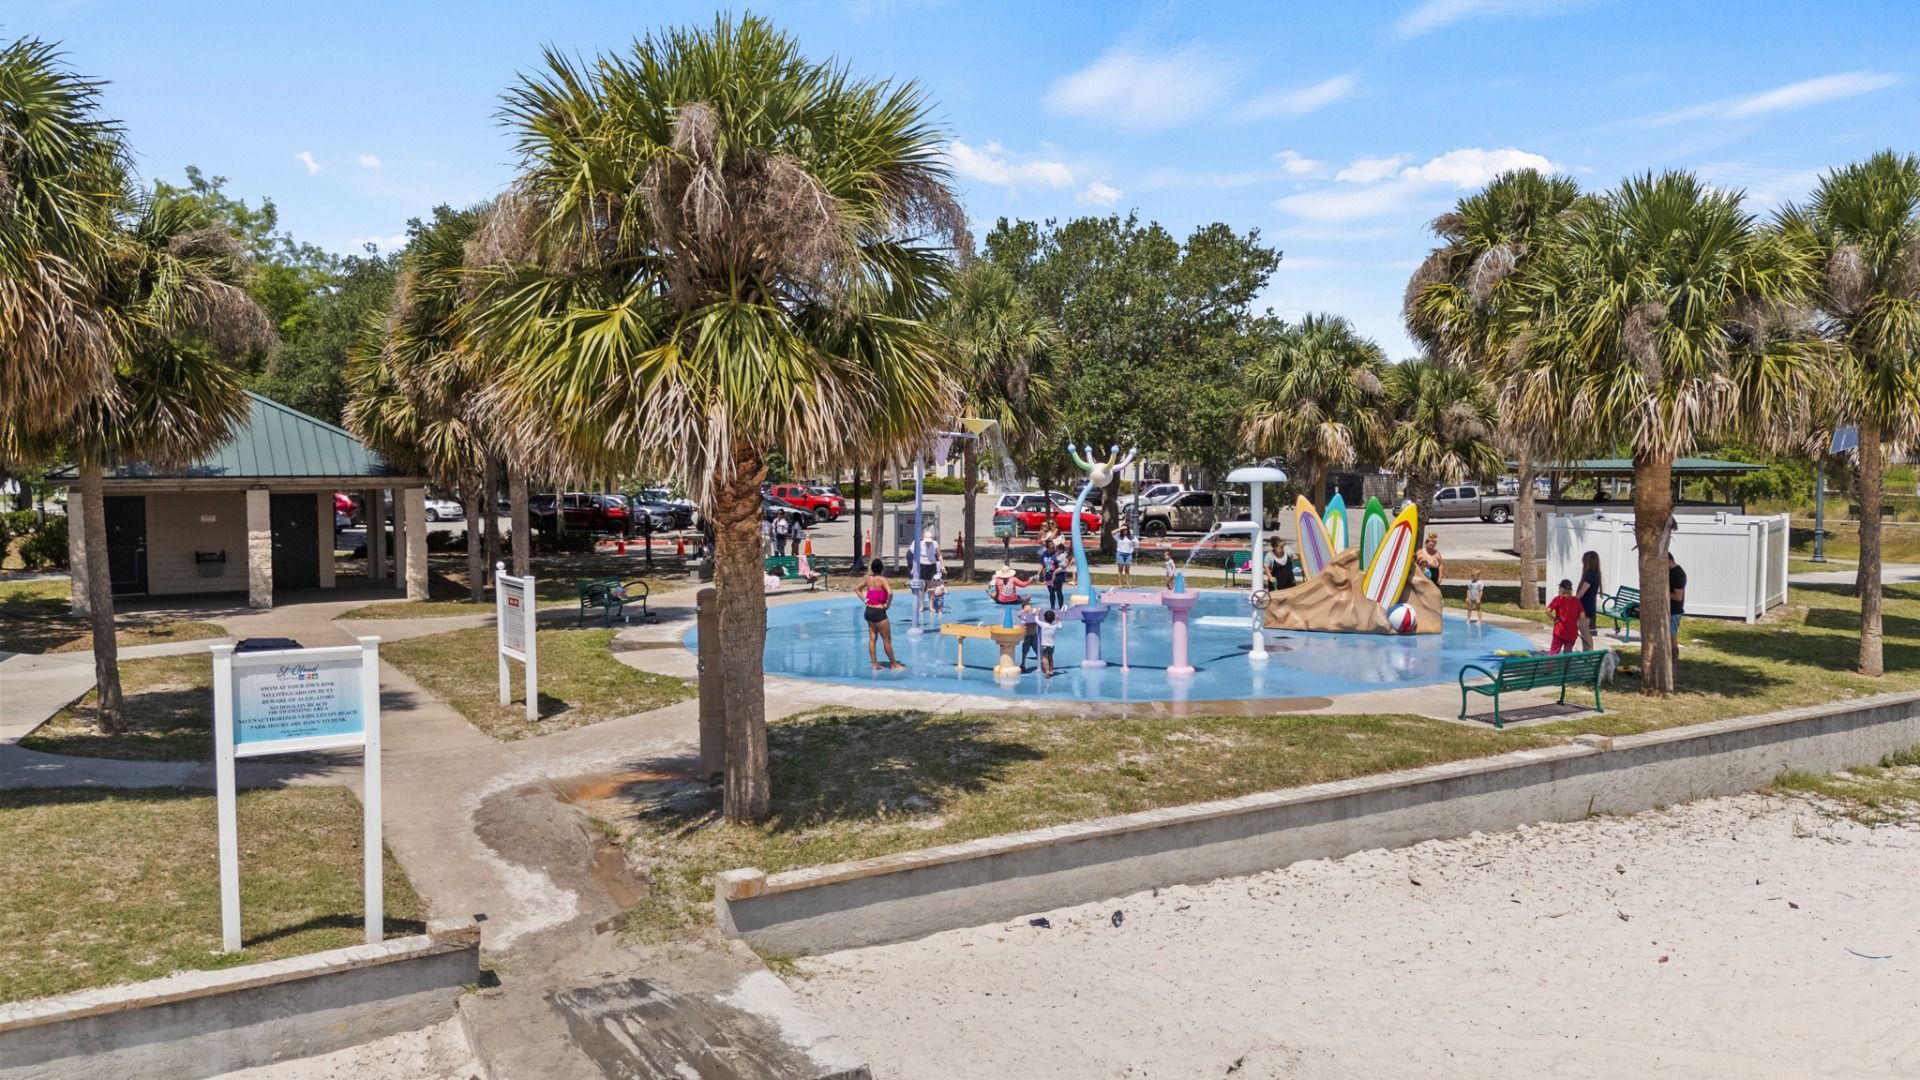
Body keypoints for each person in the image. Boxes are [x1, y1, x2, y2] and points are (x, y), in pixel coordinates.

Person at [859, 558, 905, 671]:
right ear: (881, 569)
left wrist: (864, 600)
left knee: (872, 638)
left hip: (868, 611)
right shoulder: (882, 580)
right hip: (879, 612)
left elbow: (857, 589)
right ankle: (894, 664)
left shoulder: (868, 579)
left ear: (872, 569)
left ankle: (874, 664)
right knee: (887, 640)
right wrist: (888, 605)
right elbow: (890, 593)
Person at [1575, 550, 1602, 650]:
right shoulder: (1595, 574)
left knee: (1584, 629)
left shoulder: (1590, 575)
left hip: (1586, 606)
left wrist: (1573, 601)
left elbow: (1582, 592)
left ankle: (1589, 650)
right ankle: (1586, 650)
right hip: (1588, 605)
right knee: (1583, 629)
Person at [1547, 578, 1582, 654]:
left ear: (1561, 589)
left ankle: (1552, 662)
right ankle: (1566, 662)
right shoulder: (1576, 601)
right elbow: (1582, 615)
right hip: (1572, 632)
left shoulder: (1558, 599)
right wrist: (1575, 621)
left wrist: (1553, 618)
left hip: (1559, 631)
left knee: (1554, 651)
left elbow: (1548, 611)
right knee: (1568, 653)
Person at [1668, 551, 1687, 652]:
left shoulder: (1677, 574)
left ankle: (1674, 657)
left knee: (1672, 637)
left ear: (1669, 561)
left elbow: (1678, 596)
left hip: (1674, 611)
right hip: (1668, 610)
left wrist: (1662, 593)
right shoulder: (1671, 572)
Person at [1017, 598, 1040, 671]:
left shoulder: (1033, 614)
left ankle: (1041, 662)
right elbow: (1019, 615)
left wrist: (1035, 610)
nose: (1029, 609)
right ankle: (1023, 664)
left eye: (1030, 607)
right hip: (1026, 635)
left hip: (1034, 635)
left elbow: (1038, 612)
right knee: (1025, 650)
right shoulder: (1023, 615)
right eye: (1027, 608)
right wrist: (1024, 611)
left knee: (1037, 650)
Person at [1046, 540, 1070, 610]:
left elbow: (1065, 561)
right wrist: (1046, 572)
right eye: (1050, 548)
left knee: (1059, 591)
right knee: (1051, 592)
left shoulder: (1056, 555)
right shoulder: (1044, 554)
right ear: (1047, 548)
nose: (1052, 550)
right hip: (1048, 576)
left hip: (1058, 576)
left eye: (1053, 548)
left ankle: (1060, 607)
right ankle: (1052, 607)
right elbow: (1045, 565)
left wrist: (1066, 563)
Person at [1038, 608, 1060, 677]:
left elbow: (1036, 620)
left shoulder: (1043, 625)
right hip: (1052, 645)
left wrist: (1037, 614)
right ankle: (1051, 671)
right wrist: (1058, 620)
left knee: (1044, 658)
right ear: (1053, 618)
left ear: (1044, 618)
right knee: (1051, 658)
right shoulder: (1054, 626)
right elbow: (1060, 626)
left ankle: (1047, 671)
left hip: (1044, 645)